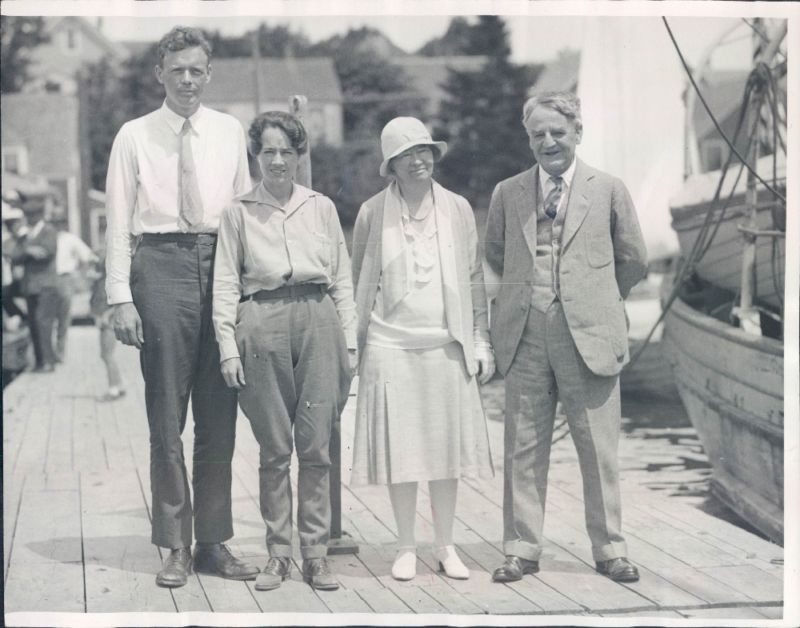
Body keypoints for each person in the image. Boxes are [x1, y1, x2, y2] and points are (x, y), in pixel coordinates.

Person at [104, 26, 258, 588]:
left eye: (197, 70)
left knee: (219, 412)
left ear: (208, 74)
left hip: (220, 263)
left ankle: (213, 540)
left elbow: (243, 214)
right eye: (178, 71)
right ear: (160, 75)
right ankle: (174, 544)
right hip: (161, 264)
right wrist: (119, 295)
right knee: (167, 414)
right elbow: (118, 220)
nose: (188, 80)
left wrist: (248, 287)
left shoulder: (228, 130)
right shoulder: (134, 135)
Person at [485, 91, 648, 584]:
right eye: (538, 134)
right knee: (523, 445)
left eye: (558, 132)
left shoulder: (608, 189)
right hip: (525, 333)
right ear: (528, 138)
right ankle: (521, 548)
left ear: (578, 132)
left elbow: (634, 258)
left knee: (597, 450)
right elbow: (495, 256)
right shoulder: (507, 192)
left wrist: (595, 299)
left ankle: (609, 549)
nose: (548, 142)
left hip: (590, 336)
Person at [213, 110, 357, 592]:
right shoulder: (237, 211)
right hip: (262, 321)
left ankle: (315, 554)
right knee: (275, 448)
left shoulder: (321, 207)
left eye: (286, 151)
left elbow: (342, 280)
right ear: (256, 155)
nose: (277, 160)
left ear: (299, 155)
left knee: (316, 446)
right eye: (268, 151)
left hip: (319, 320)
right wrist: (228, 347)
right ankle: (279, 554)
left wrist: (349, 343)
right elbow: (226, 283)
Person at [349, 117, 495, 582]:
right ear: (390, 165)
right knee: (402, 450)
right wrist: (356, 349)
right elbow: (359, 283)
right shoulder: (372, 212)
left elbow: (474, 279)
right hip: (390, 344)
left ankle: (446, 545)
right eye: (407, 154)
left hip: (445, 343)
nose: (419, 161)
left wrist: (479, 340)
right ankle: (406, 545)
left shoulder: (458, 208)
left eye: (425, 151)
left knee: (445, 452)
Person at [8, 191, 60, 373]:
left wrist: (29, 252)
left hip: (47, 285)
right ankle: (40, 362)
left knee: (43, 322)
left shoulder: (49, 231)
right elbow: (14, 256)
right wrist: (30, 250)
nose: (29, 218)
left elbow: (48, 253)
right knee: (34, 323)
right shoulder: (25, 236)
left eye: (31, 215)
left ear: (38, 215)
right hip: (30, 286)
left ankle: (48, 361)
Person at [54, 218, 98, 363]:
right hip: (47, 280)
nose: (56, 225)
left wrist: (81, 275)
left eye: (58, 222)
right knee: (45, 318)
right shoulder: (46, 238)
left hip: (65, 277)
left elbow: (88, 256)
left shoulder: (70, 239)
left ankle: (60, 353)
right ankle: (47, 355)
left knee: (63, 316)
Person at [88, 252, 125, 401]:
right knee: (106, 355)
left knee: (107, 355)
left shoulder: (109, 283)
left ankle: (113, 390)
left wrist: (105, 315)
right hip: (103, 320)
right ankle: (120, 385)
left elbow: (116, 303)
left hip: (108, 321)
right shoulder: (100, 282)